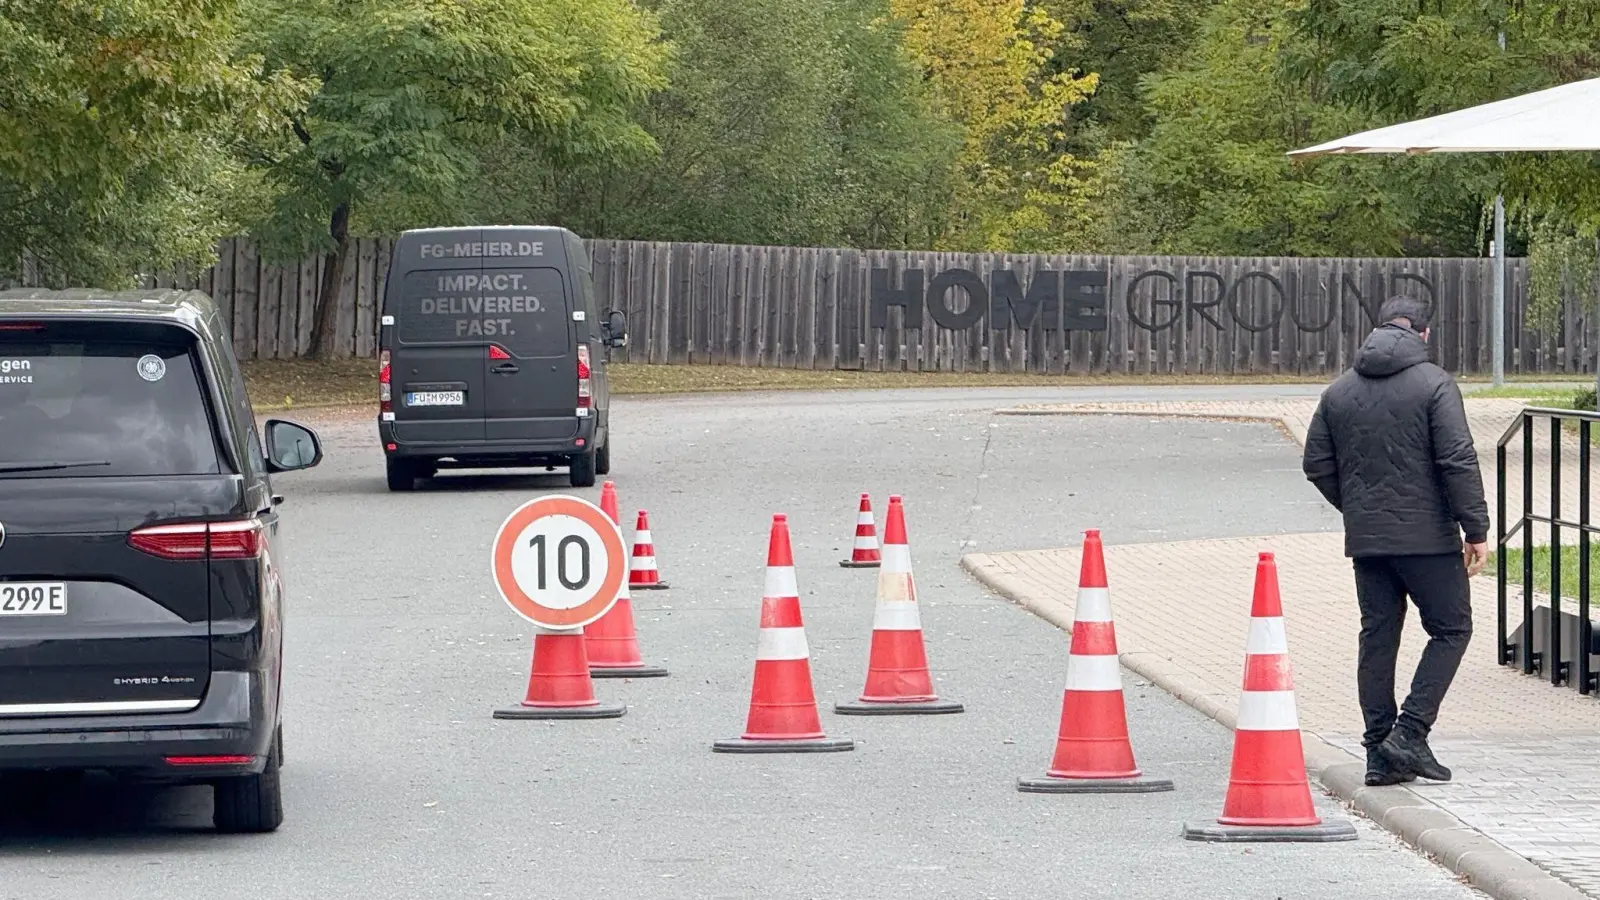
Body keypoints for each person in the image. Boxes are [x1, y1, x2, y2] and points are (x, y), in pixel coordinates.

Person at [1301, 294, 1489, 787]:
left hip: (1369, 541)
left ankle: (1378, 753)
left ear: (1380, 329)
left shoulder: (1338, 391)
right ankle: (1409, 733)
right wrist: (1477, 530)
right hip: (1428, 540)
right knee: (1452, 628)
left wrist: (1359, 508)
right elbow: (1457, 459)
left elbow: (1316, 464)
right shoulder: (1435, 384)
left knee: (1378, 636)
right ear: (1424, 334)